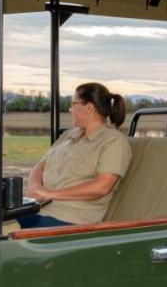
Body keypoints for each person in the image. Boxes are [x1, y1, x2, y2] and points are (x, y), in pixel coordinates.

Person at [22, 82, 132, 228]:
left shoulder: (113, 140)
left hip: (66, 218)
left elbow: (101, 187)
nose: (70, 109)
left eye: (73, 104)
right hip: (37, 207)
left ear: (89, 108)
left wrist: (50, 194)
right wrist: (35, 188)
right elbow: (41, 165)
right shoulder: (68, 135)